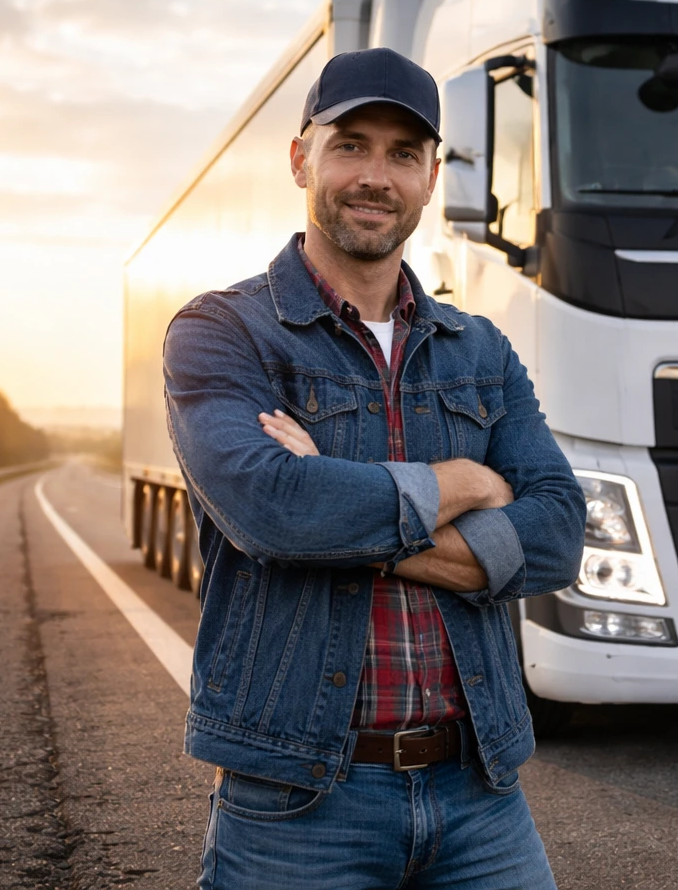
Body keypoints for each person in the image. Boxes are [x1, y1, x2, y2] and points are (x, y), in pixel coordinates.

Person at [162, 47, 586, 889]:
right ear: (300, 159)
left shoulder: (481, 350)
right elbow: (274, 510)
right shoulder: (224, 333)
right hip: (299, 798)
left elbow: (560, 534)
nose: (375, 176)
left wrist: (342, 502)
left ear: (431, 178)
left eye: (403, 154)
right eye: (351, 144)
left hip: (479, 794)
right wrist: (466, 485)